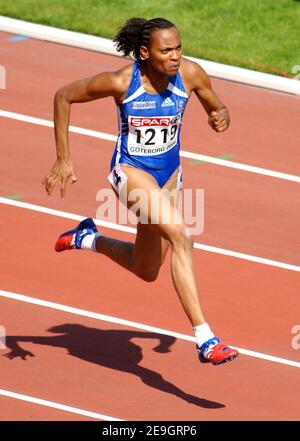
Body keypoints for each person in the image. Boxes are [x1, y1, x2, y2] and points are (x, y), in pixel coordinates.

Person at [43, 17, 239, 365]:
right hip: (130, 172)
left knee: (146, 269)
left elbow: (217, 106)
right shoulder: (121, 82)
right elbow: (63, 96)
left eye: (179, 47)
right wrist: (63, 159)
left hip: (170, 178)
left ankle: (87, 238)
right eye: (166, 50)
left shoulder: (191, 75)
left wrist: (220, 116)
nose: (175, 56)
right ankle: (205, 338)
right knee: (182, 236)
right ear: (146, 52)